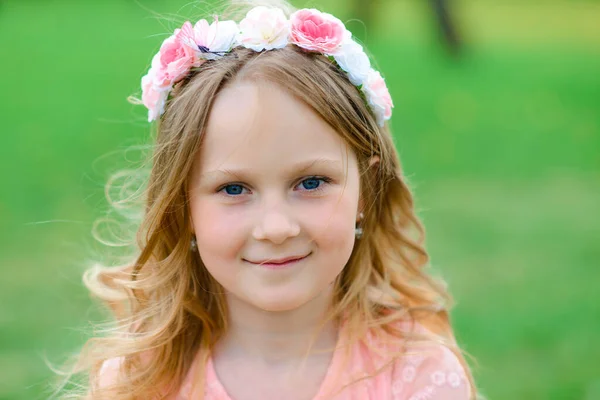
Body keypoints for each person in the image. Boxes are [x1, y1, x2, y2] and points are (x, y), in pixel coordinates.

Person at [59, 1, 478, 399]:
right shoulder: (139, 381)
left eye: (311, 183)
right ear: (182, 206)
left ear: (365, 190)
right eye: (234, 189)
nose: (276, 228)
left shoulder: (418, 377)